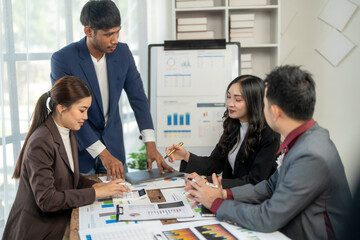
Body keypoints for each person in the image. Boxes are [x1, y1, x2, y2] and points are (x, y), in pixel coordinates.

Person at [185, 65, 352, 240]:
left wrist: (215, 203)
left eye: (263, 104)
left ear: (274, 111)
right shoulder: (305, 139)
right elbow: (270, 186)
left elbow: (268, 218)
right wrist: (224, 194)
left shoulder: (310, 154)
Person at [50, 0, 173, 180]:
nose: (115, 39)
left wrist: (150, 143)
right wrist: (103, 154)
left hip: (115, 148)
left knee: (122, 202)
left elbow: (138, 98)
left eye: (117, 32)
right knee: (83, 205)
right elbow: (67, 112)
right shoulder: (63, 59)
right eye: (108, 34)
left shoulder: (122, 52)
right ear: (88, 31)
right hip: (80, 152)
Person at [2, 76, 130, 239]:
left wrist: (98, 186)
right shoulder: (41, 142)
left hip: (59, 219)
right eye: (82, 110)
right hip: (40, 230)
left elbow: (70, 179)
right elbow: (47, 200)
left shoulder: (68, 132)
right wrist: (95, 193)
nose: (86, 117)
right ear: (62, 108)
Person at [166, 75, 280, 188]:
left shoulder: (269, 133)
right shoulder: (234, 127)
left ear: (254, 101)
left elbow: (256, 180)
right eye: (229, 97)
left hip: (255, 200)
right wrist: (186, 156)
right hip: (231, 195)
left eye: (238, 99)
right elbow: (215, 162)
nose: (230, 103)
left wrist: (209, 184)